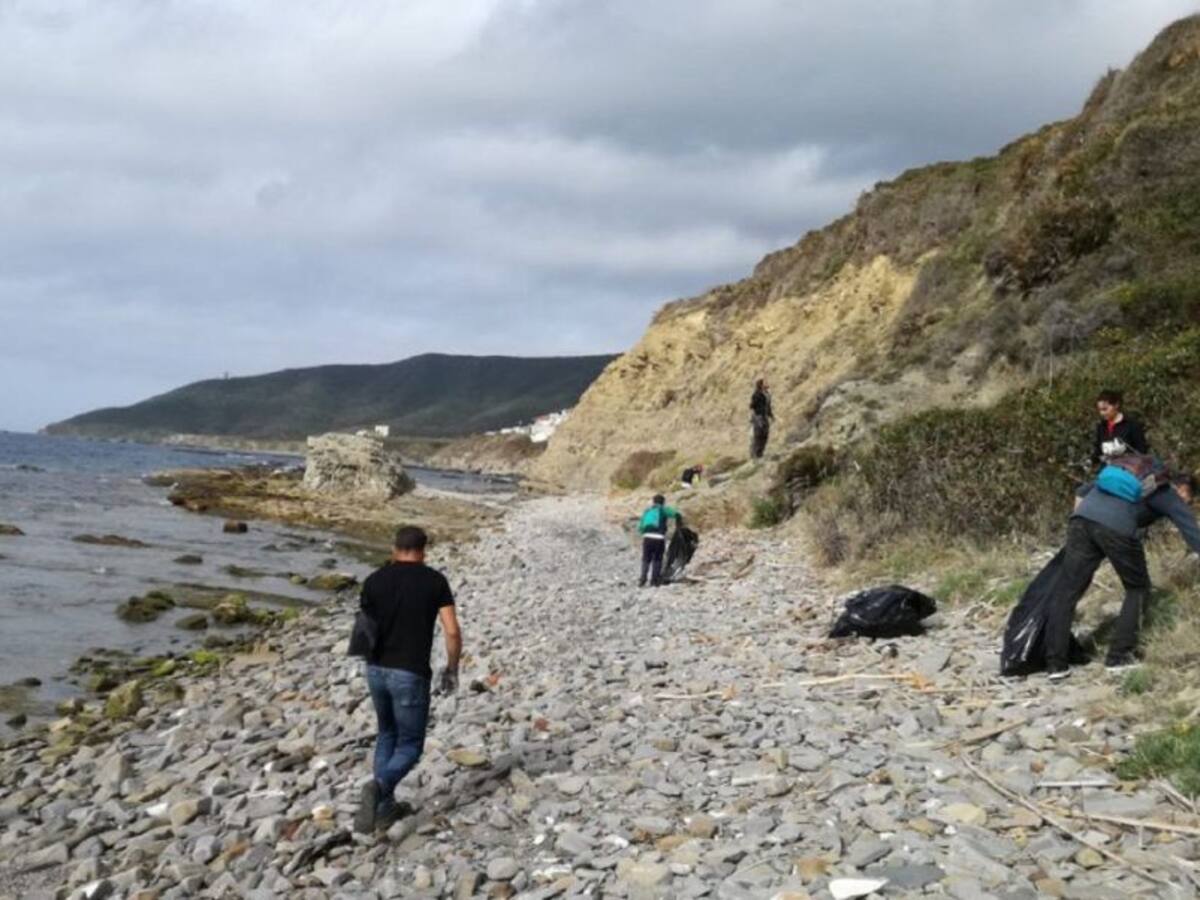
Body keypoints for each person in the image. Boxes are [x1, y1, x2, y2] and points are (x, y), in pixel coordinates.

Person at [354, 525, 462, 833]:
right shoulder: (434, 581)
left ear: (394, 548)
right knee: (411, 744)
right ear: (423, 550)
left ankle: (384, 808)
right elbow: (452, 631)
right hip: (410, 672)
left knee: (387, 734)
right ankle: (379, 786)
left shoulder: (374, 580)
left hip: (375, 669)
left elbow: (364, 628)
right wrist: (452, 668)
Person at [1045, 472, 1200, 680]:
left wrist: (1083, 524)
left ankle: (1056, 664)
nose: (1188, 502)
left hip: (1081, 520)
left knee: (1067, 591)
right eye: (1190, 498)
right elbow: (1192, 532)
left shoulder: (1134, 479)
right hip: (1115, 527)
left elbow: (1082, 490)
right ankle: (1118, 657)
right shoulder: (1167, 493)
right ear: (1182, 488)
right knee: (1138, 588)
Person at [1092, 389, 1148, 469]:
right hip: (1107, 472)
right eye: (1100, 410)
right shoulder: (1101, 427)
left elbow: (1141, 451)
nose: (1102, 413)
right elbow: (1098, 451)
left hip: (1128, 472)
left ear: (1116, 405)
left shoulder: (1131, 425)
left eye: (1105, 409)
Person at [638, 494, 681, 587]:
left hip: (647, 537)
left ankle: (642, 579)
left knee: (646, 558)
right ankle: (654, 580)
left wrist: (644, 534)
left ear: (653, 501)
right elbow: (675, 514)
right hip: (659, 538)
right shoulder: (663, 509)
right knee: (657, 559)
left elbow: (640, 526)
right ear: (663, 502)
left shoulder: (647, 510)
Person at [750, 379, 774, 459]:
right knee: (758, 435)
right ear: (761, 385)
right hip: (758, 416)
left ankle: (761, 453)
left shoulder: (767, 394)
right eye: (765, 383)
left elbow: (768, 406)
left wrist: (771, 415)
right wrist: (756, 417)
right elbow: (752, 406)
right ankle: (755, 454)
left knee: (765, 434)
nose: (767, 384)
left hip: (764, 416)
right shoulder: (756, 394)